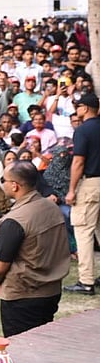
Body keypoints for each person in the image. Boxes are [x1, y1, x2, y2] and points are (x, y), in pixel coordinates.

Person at [0, 161, 72, 337]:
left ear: (15, 185)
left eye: (3, 180)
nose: (2, 183)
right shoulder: (52, 207)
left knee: (22, 347)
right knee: (43, 341)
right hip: (51, 291)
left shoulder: (15, 220)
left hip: (22, 296)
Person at [64, 91, 100, 295]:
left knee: (84, 231)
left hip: (90, 182)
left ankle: (86, 281)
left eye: (78, 106)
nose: (76, 109)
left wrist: (71, 190)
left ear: (85, 108)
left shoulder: (83, 130)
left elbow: (78, 161)